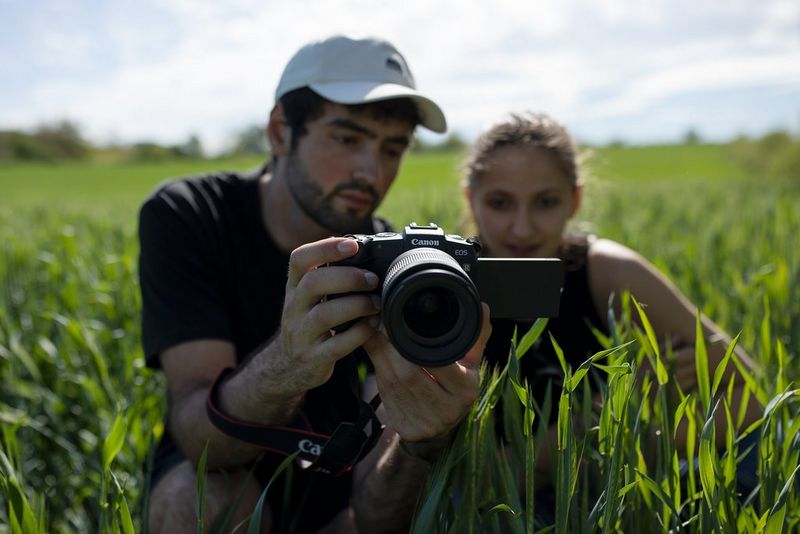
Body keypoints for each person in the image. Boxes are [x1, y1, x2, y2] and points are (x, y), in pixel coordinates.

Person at [138, 35, 488, 533]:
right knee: (191, 502)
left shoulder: (397, 260)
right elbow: (198, 439)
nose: (372, 170)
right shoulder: (193, 215)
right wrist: (288, 364)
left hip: (340, 483)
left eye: (393, 148)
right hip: (222, 474)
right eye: (347, 138)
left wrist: (421, 440)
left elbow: (377, 514)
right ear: (281, 132)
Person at [462, 112, 760, 483]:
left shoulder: (611, 274)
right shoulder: (441, 285)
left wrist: (635, 427)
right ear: (471, 200)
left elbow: (755, 399)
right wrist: (590, 429)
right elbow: (449, 474)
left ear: (574, 201)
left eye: (546, 202)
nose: (522, 228)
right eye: (500, 203)